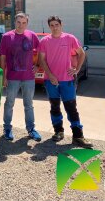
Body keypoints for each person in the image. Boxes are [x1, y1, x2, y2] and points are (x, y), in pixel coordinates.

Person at [38, 15, 93, 149]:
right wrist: (50, 75)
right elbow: (42, 60)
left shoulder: (70, 38)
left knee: (71, 108)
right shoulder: (45, 41)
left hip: (67, 80)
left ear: (61, 25)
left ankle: (78, 136)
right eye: (52, 25)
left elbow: (82, 54)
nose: (54, 27)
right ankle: (58, 131)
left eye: (56, 25)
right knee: (55, 107)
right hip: (51, 81)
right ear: (49, 27)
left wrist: (77, 69)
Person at [0, 13, 41, 142]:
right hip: (12, 77)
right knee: (9, 103)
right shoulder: (7, 37)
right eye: (18, 22)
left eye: (23, 22)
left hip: (28, 77)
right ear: (14, 22)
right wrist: (3, 75)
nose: (21, 25)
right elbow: (2, 57)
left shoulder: (32, 35)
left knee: (28, 104)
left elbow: (40, 50)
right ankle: (7, 128)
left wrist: (37, 64)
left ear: (27, 23)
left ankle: (31, 129)